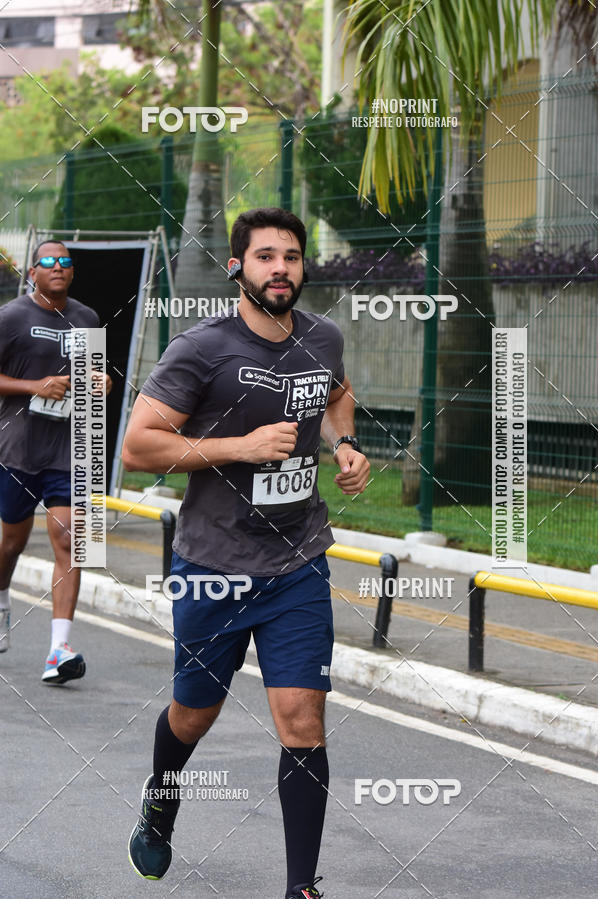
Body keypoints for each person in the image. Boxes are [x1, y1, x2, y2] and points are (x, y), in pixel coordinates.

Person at [122, 207, 369, 898]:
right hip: (212, 566)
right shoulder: (201, 349)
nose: (280, 268)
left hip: (297, 561)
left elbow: (338, 395)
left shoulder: (323, 337)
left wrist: (346, 444)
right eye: (265, 256)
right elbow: (138, 446)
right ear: (237, 267)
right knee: (193, 713)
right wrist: (241, 446)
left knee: (303, 720)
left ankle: (301, 888)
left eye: (291, 256)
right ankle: (161, 799)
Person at [0, 239, 111, 681]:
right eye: (48, 261)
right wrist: (34, 386)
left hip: (71, 447)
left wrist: (100, 382)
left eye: (65, 261)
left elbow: (89, 376)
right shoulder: (11, 317)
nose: (58, 266)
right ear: (32, 272)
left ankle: (58, 649)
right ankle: (2, 597)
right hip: (19, 448)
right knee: (12, 543)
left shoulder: (87, 318)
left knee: (72, 538)